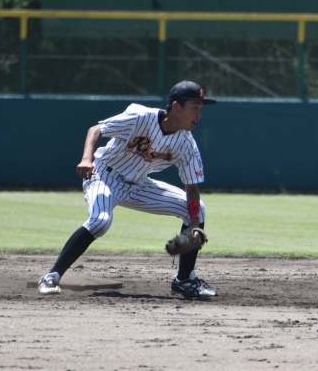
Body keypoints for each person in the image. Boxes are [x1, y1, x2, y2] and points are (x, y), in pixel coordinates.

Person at [38, 80, 220, 298]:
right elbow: (96, 130)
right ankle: (51, 276)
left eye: (201, 109)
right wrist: (87, 159)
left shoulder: (186, 144)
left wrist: (194, 227)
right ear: (176, 106)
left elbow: (192, 188)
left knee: (197, 209)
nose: (199, 114)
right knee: (100, 221)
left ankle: (184, 280)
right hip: (104, 174)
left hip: (138, 184)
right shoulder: (141, 117)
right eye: (195, 107)